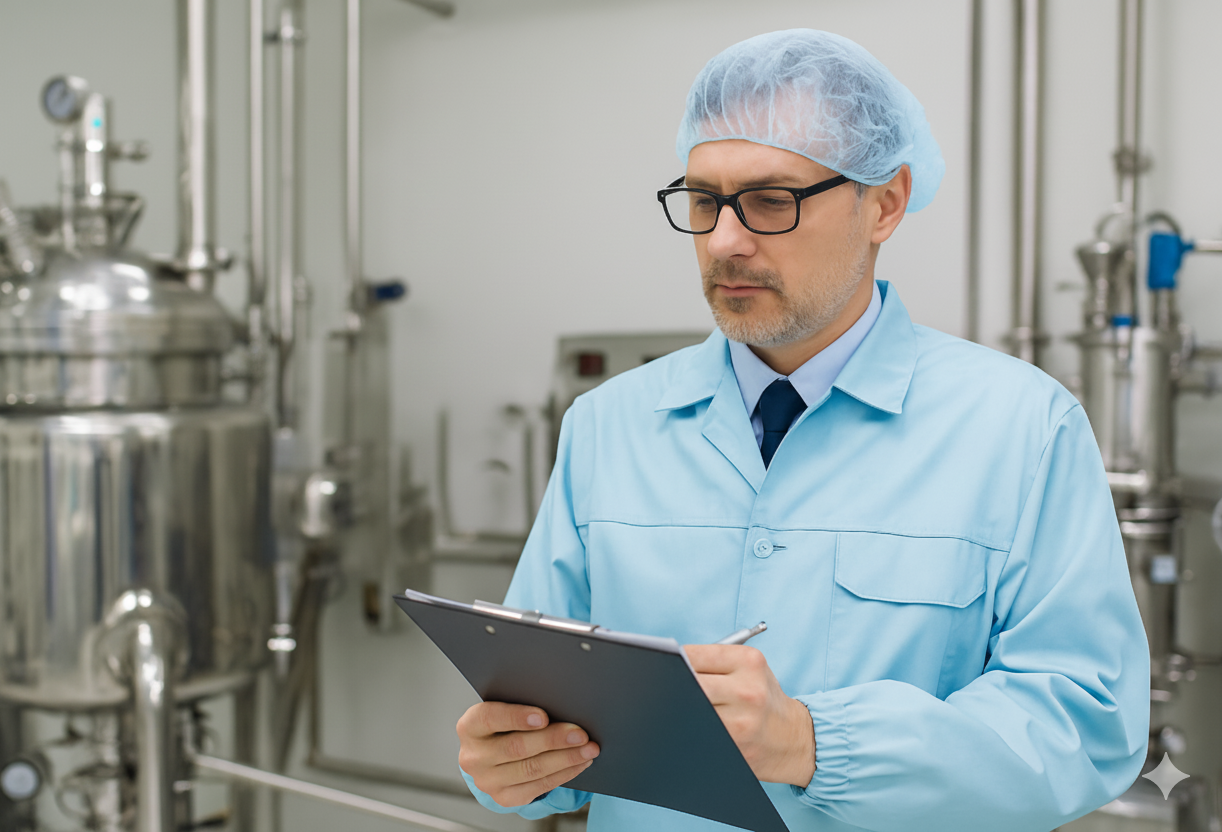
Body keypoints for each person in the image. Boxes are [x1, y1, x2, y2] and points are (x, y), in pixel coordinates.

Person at [455, 29, 1150, 832]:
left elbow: (1085, 727)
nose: (724, 242)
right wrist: (513, 764)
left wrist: (815, 744)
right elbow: (540, 712)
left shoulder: (1021, 428)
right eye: (705, 201)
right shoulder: (609, 426)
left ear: (884, 202)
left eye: (770, 200)